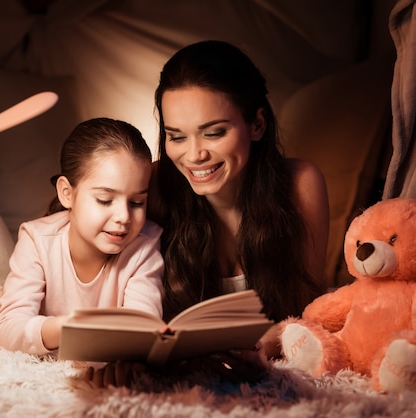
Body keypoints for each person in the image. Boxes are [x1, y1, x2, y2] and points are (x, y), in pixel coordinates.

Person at [88, 40, 329, 387]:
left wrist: (269, 342)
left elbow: (306, 313)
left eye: (214, 133)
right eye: (177, 137)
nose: (194, 155)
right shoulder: (152, 187)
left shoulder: (300, 185)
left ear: (257, 124)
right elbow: (76, 237)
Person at [0, 117, 165, 355]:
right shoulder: (37, 239)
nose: (124, 216)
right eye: (105, 200)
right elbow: (6, 332)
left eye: (137, 202)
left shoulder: (144, 247)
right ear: (67, 193)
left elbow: (144, 330)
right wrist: (67, 328)